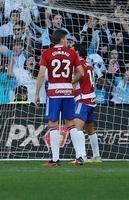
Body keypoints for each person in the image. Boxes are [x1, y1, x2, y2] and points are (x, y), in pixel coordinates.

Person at [35, 29, 86, 167]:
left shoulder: (47, 53)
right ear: (62, 39)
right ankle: (80, 156)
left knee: (53, 124)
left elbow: (40, 75)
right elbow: (81, 73)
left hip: (54, 93)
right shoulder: (71, 53)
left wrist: (37, 93)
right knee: (71, 123)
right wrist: (71, 83)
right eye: (66, 38)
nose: (68, 41)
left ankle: (55, 159)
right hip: (68, 92)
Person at [73, 44, 101, 163]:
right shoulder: (89, 65)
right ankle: (96, 156)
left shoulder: (77, 65)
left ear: (77, 52)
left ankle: (82, 156)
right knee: (90, 130)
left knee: (76, 128)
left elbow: (76, 81)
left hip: (82, 100)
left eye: (72, 50)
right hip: (91, 100)